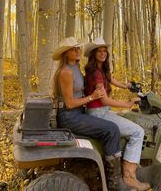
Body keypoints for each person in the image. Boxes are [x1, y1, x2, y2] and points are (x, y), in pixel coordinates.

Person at [52, 37, 133, 191]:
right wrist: (92, 97)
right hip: (70, 116)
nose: (77, 50)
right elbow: (69, 103)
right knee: (112, 129)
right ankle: (115, 183)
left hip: (78, 112)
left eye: (78, 48)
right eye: (73, 49)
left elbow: (99, 80)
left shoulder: (76, 67)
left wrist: (123, 86)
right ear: (65, 53)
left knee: (111, 123)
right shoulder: (65, 72)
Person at [84, 37, 151, 191]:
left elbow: (111, 79)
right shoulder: (95, 73)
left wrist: (126, 85)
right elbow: (105, 100)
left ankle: (129, 163)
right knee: (137, 132)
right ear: (94, 54)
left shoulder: (101, 70)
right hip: (98, 113)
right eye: (99, 51)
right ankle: (129, 177)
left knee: (126, 118)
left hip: (100, 111)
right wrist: (127, 104)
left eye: (104, 51)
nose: (102, 53)